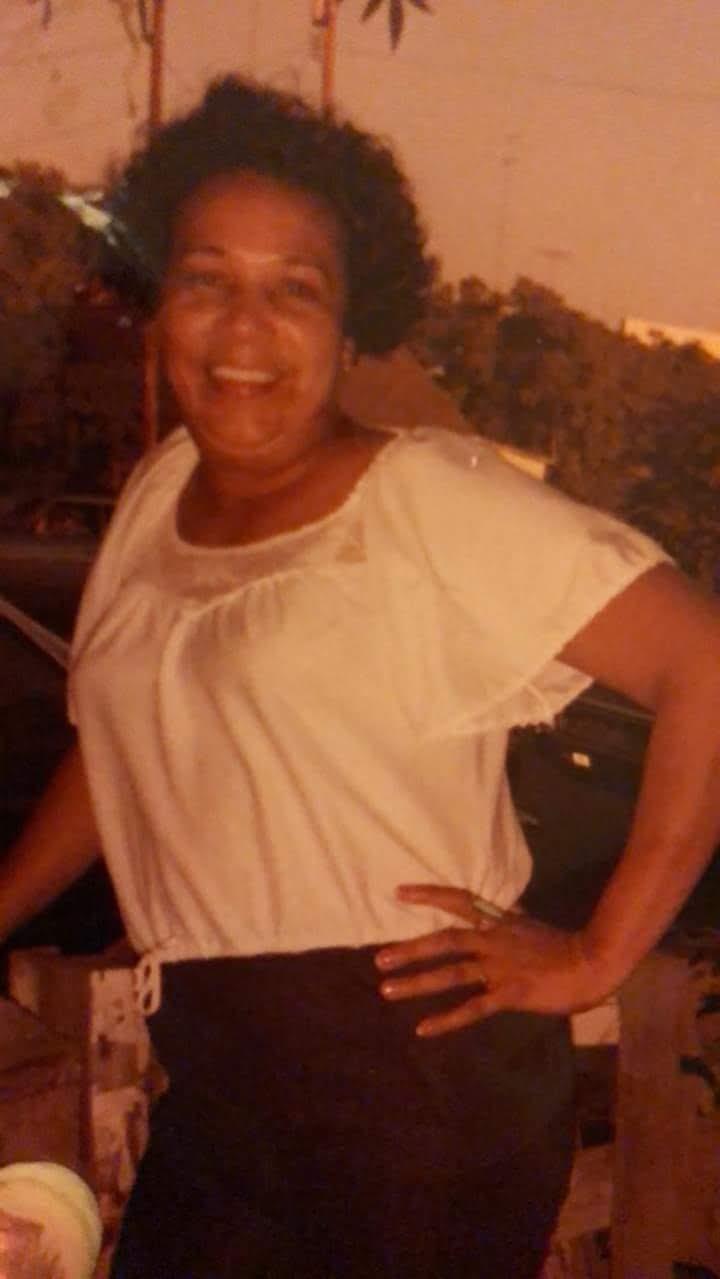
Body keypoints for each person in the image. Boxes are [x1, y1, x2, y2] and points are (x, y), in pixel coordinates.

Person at [1, 78, 719, 1279]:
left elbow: (703, 660)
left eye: (295, 289)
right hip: (220, 1080)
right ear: (155, 301)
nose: (242, 329)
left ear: (348, 329)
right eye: (206, 277)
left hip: (413, 1081)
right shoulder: (150, 498)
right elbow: (127, 748)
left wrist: (597, 953)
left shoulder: (424, 500)